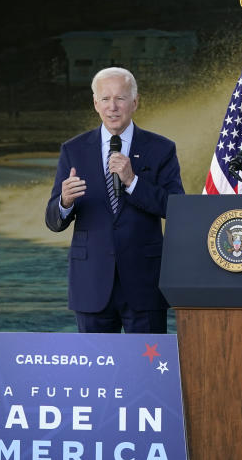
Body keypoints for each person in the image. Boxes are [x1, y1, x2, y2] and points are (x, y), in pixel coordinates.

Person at [45, 67, 184, 334]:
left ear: (135, 102)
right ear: (95, 103)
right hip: (91, 282)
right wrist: (64, 201)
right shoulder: (73, 150)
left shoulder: (161, 148)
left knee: (145, 372)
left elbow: (177, 208)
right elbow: (53, 221)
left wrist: (133, 182)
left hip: (144, 282)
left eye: (120, 98)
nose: (113, 107)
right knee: (96, 373)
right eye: (105, 99)